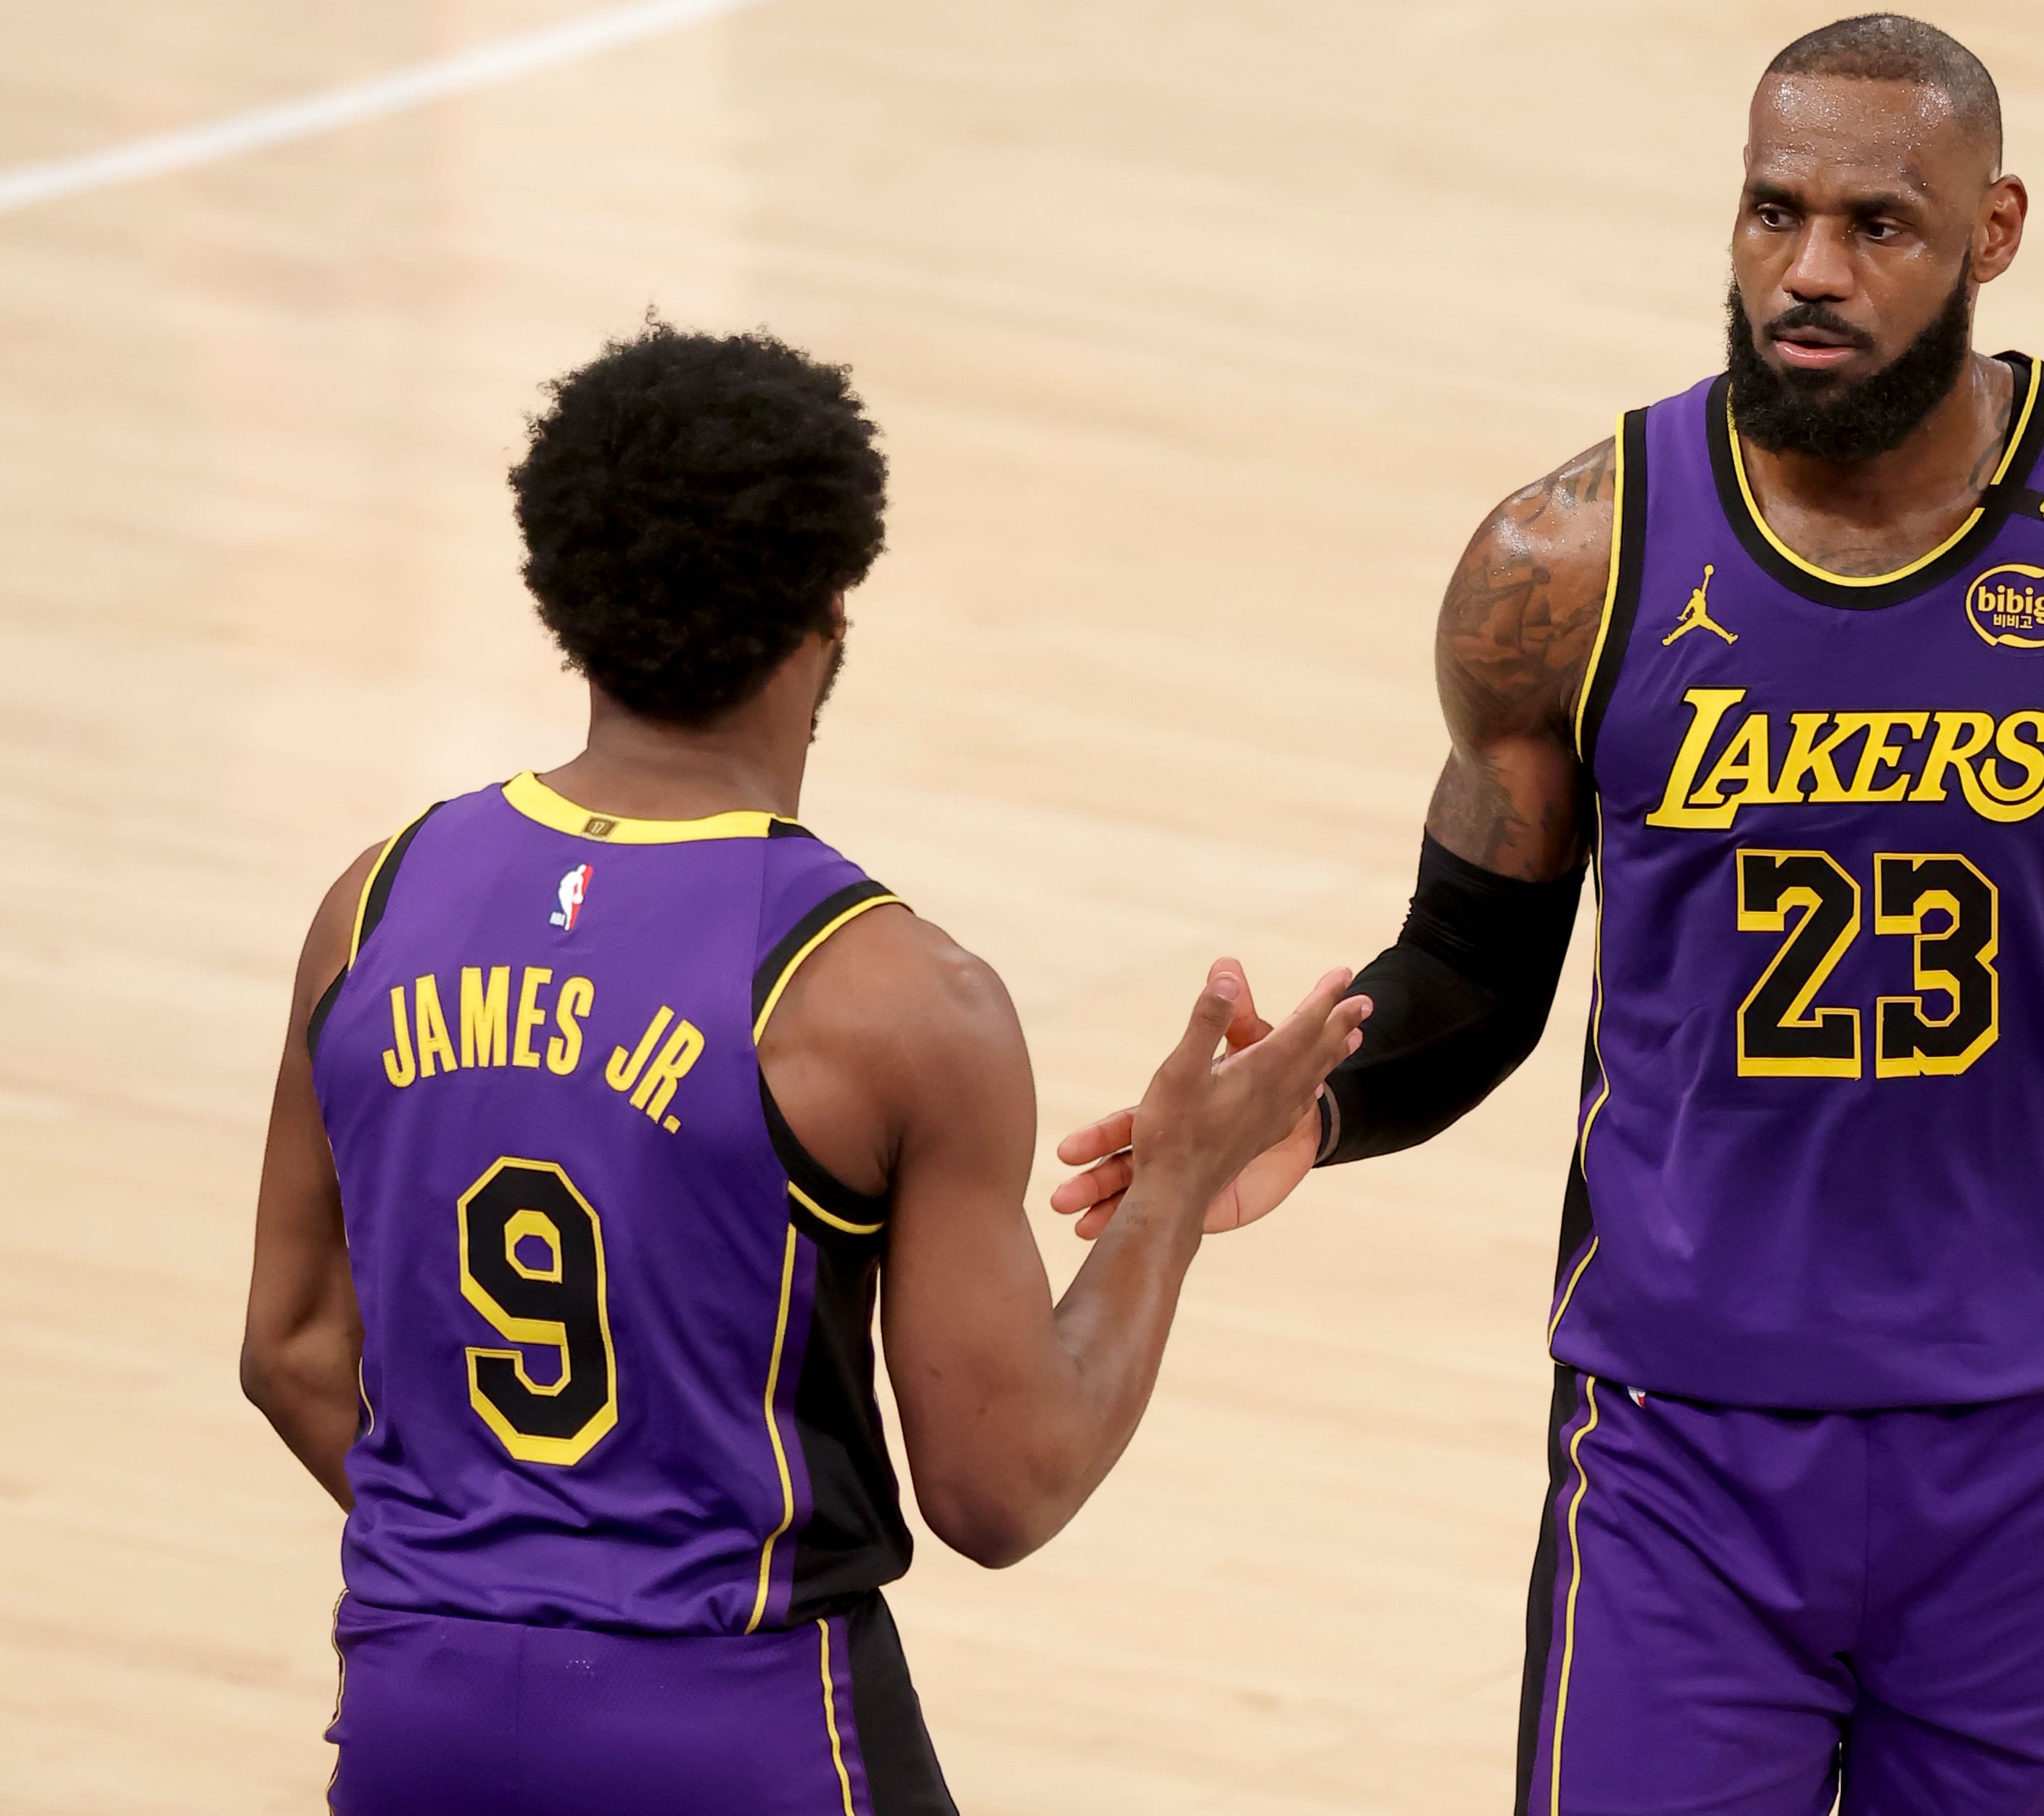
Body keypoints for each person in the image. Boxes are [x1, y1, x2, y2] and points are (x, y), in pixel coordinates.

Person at [1052, 17, 2044, 1812]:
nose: (1811, 273)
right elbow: (1475, 962)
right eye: (1774, 214)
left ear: (1995, 233)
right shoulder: (1567, 564)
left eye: (1879, 226)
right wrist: (1312, 1104)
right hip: (1677, 1448)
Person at [237, 321, 1369, 1816]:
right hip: (743, 1721)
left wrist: (514, 1574)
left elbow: (295, 1346)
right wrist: (1175, 1182)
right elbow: (1001, 1486)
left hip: (418, 1708)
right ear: (833, 603)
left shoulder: (372, 908)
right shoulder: (896, 1000)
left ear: (558, 587)